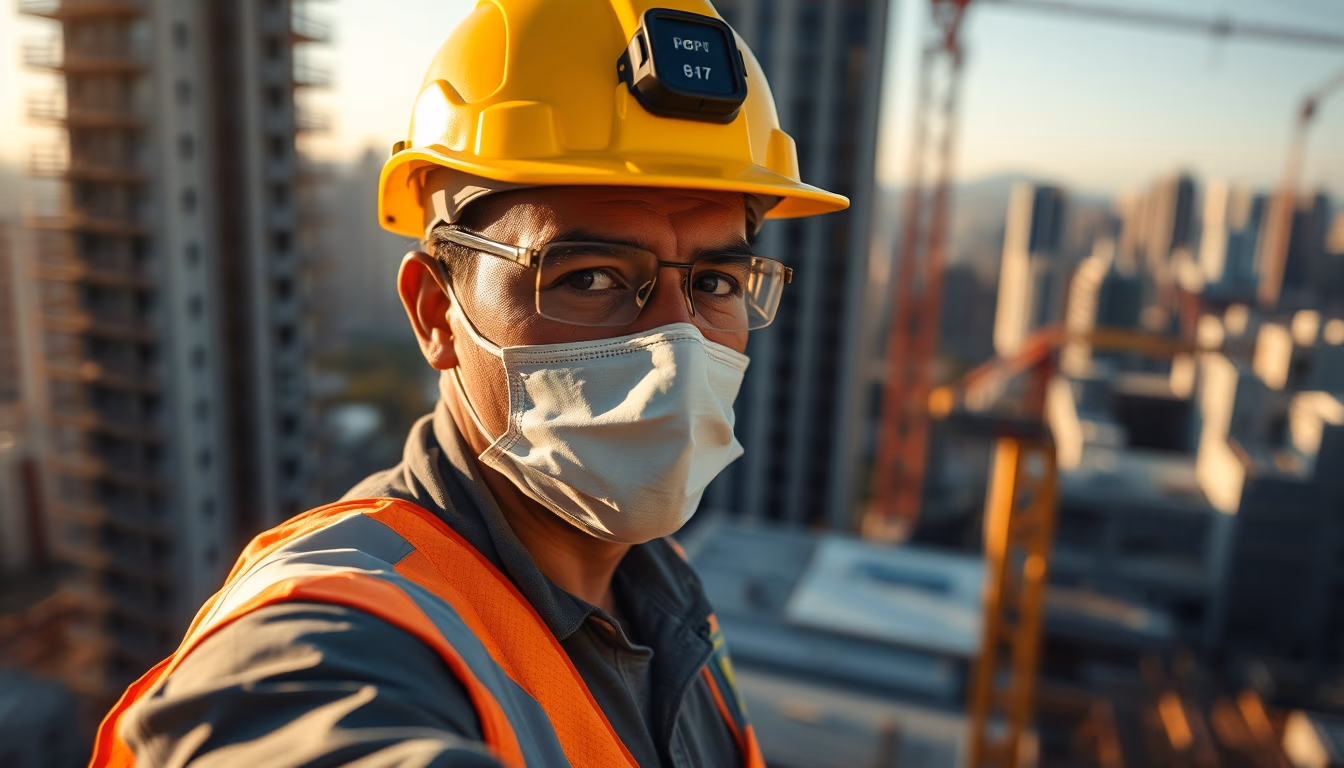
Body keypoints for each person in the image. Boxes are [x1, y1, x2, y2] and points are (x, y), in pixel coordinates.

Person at [92, 1, 846, 765]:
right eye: (590, 277)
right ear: (435, 314)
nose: (674, 343)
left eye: (716, 280)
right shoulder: (333, 630)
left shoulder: (665, 590)